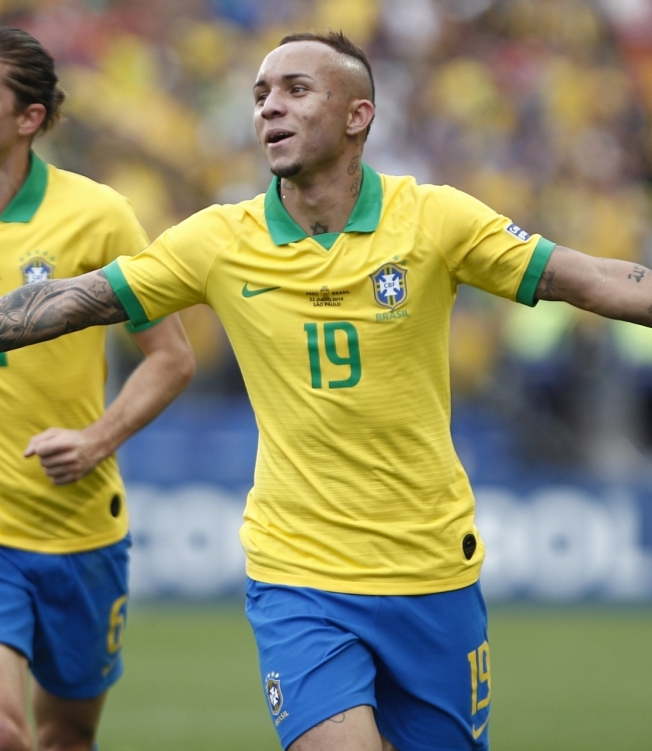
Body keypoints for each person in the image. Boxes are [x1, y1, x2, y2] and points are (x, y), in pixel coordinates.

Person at [0, 28, 649, 751]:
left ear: (357, 116)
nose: (268, 108)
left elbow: (589, 279)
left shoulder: (435, 219)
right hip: (298, 574)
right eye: (259, 95)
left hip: (431, 569)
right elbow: (74, 300)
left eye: (294, 90)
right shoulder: (217, 239)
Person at [0, 27, 195, 751]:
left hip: (77, 522)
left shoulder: (98, 214)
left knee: (67, 733)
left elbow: (171, 358)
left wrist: (96, 439)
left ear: (30, 119)